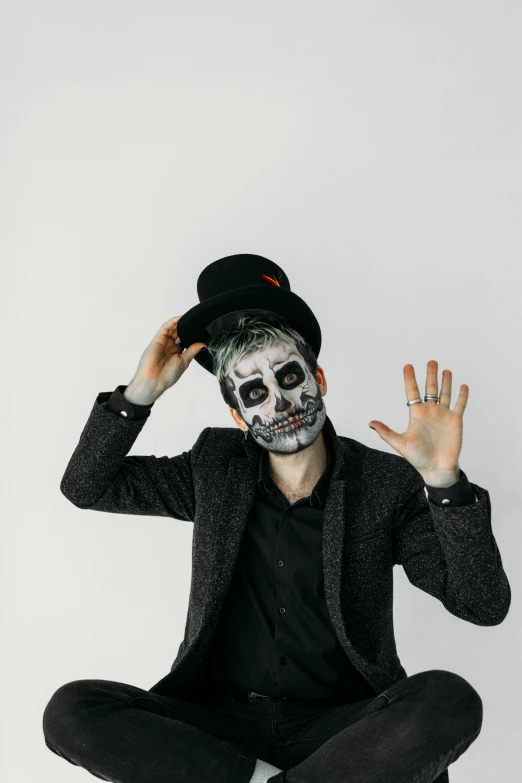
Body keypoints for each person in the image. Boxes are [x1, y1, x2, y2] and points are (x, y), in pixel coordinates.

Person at [43, 254, 510, 783]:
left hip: (344, 734)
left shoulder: (385, 483)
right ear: (238, 416)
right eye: (256, 393)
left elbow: (483, 604)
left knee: (448, 699)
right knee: (72, 710)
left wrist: (444, 482)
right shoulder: (214, 467)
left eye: (291, 376)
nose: (282, 401)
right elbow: (85, 487)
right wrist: (139, 395)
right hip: (218, 731)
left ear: (320, 378)